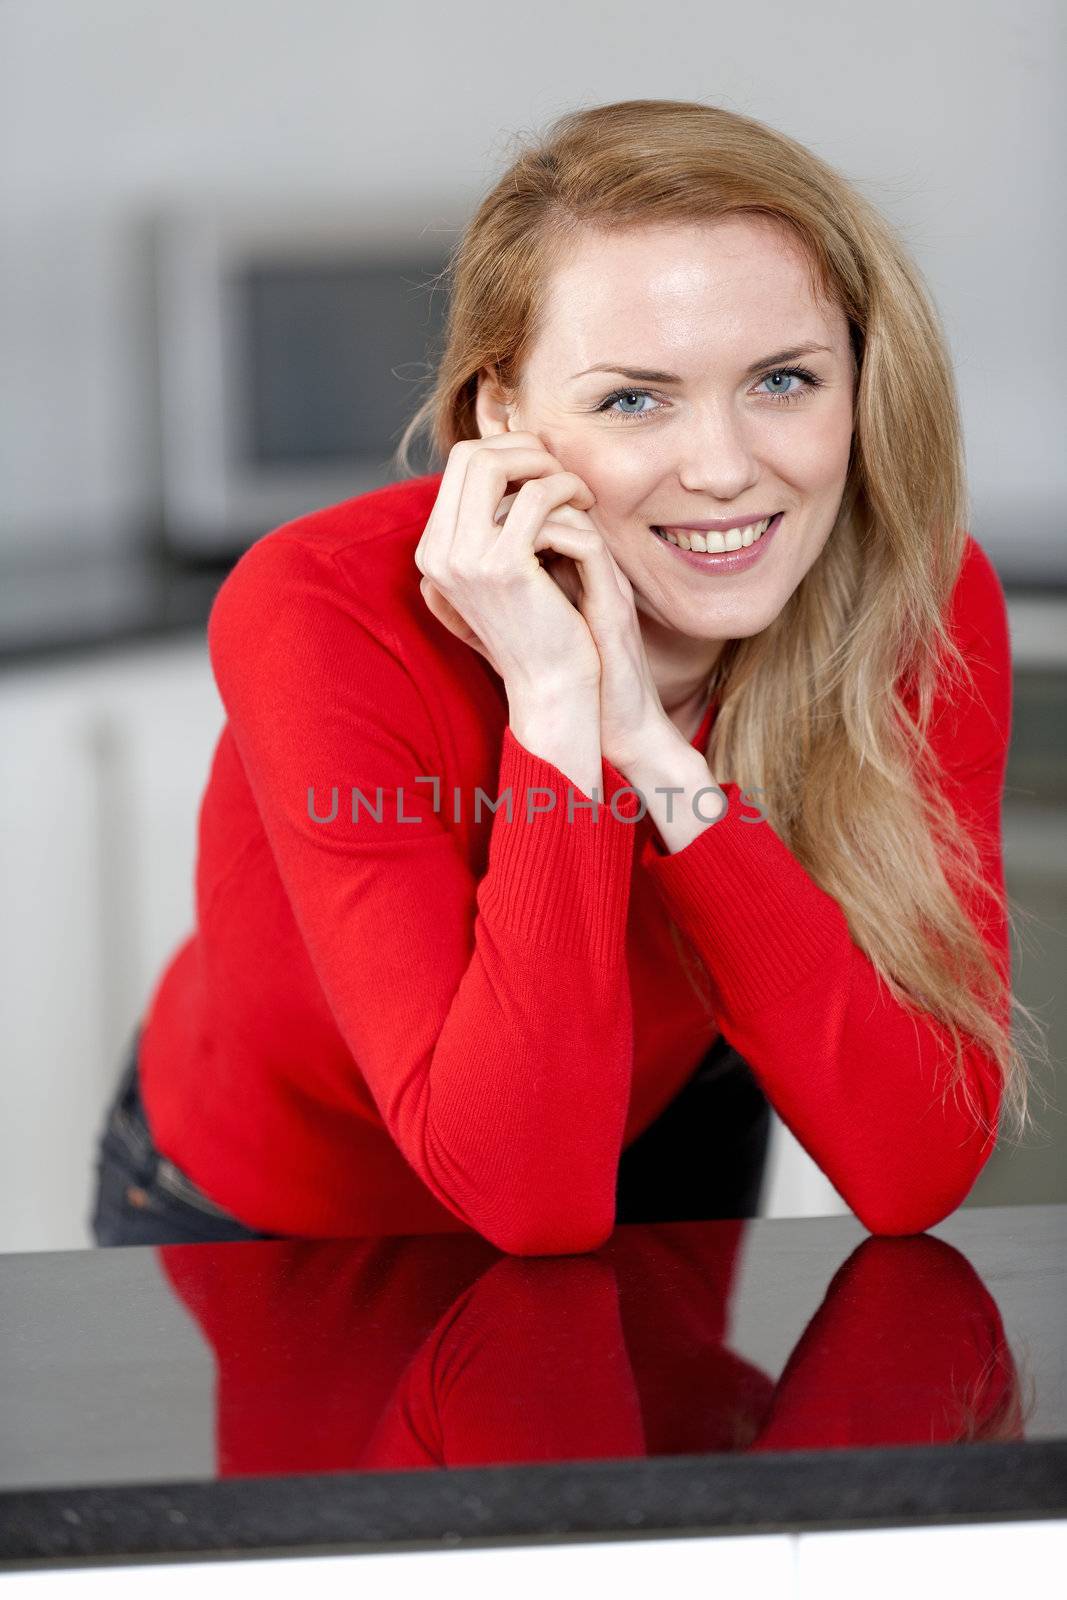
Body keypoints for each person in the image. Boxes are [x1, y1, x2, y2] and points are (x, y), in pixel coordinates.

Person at [91, 97, 1042, 1253]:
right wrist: (557, 705)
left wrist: (651, 754)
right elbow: (523, 1190)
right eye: (632, 398)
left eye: (782, 379)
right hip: (290, 1216)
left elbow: (918, 1165)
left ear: (860, 377)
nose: (722, 469)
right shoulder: (318, 611)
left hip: (655, 1126)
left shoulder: (916, 602)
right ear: (503, 414)